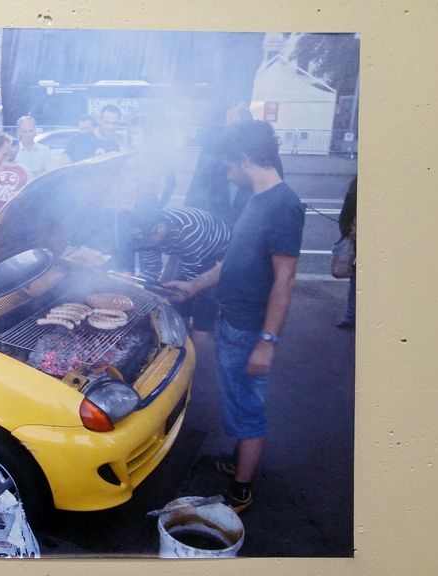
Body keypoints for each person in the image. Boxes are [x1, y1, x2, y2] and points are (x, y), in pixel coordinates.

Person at [163, 120, 304, 513]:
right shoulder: (253, 200)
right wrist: (192, 287)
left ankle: (242, 488)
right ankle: (240, 458)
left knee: (248, 406)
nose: (225, 171)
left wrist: (267, 342)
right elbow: (232, 261)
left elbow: (285, 279)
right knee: (238, 402)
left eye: (228, 164)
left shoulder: (283, 204)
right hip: (230, 321)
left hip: (249, 330)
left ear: (245, 159)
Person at [131, 208, 231, 348]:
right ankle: (182, 333)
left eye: (149, 238)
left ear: (159, 228)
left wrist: (188, 291)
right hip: (190, 253)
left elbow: (192, 275)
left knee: (205, 300)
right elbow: (152, 267)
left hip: (218, 250)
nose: (148, 242)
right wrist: (145, 286)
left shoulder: (188, 231)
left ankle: (194, 349)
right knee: (177, 295)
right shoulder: (149, 235)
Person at [336, 177, 358, 329]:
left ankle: (350, 316)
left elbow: (345, 213)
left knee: (356, 282)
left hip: (357, 238)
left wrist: (347, 230)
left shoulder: (357, 184)